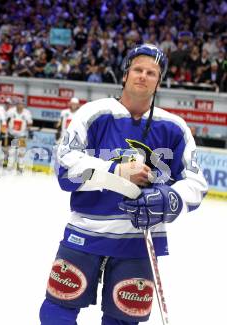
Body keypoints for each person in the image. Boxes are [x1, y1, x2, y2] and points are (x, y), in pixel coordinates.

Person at [39, 44, 208, 325]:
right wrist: (115, 170)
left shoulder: (174, 126)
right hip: (86, 230)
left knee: (124, 320)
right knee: (57, 309)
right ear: (126, 74)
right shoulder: (93, 113)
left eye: (151, 72)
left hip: (138, 240)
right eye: (138, 69)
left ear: (159, 80)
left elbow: (196, 183)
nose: (143, 76)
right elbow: (64, 167)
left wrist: (169, 199)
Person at [5, 98, 33, 173]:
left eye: (21, 104)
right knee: (11, 152)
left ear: (23, 105)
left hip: (22, 136)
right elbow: (5, 120)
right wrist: (6, 129)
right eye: (18, 104)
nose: (20, 105)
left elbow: (30, 123)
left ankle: (20, 168)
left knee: (21, 152)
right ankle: (9, 167)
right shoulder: (11, 111)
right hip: (12, 136)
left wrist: (29, 129)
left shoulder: (27, 113)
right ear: (16, 104)